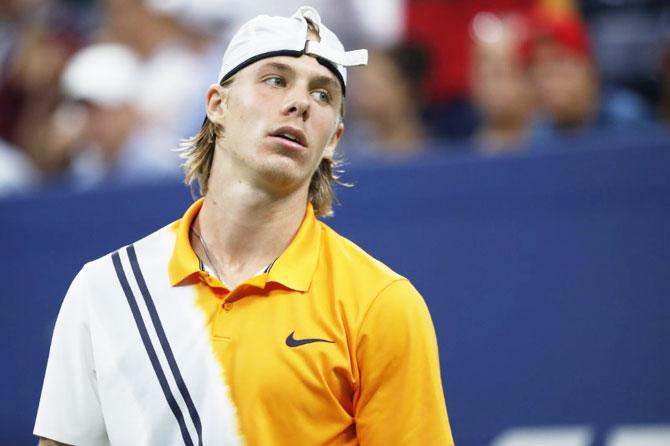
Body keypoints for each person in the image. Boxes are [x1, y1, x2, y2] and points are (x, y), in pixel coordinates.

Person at [34, 7, 454, 446]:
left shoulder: (380, 304)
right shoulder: (104, 289)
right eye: (276, 80)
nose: (300, 103)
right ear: (218, 104)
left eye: (324, 95)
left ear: (333, 139)